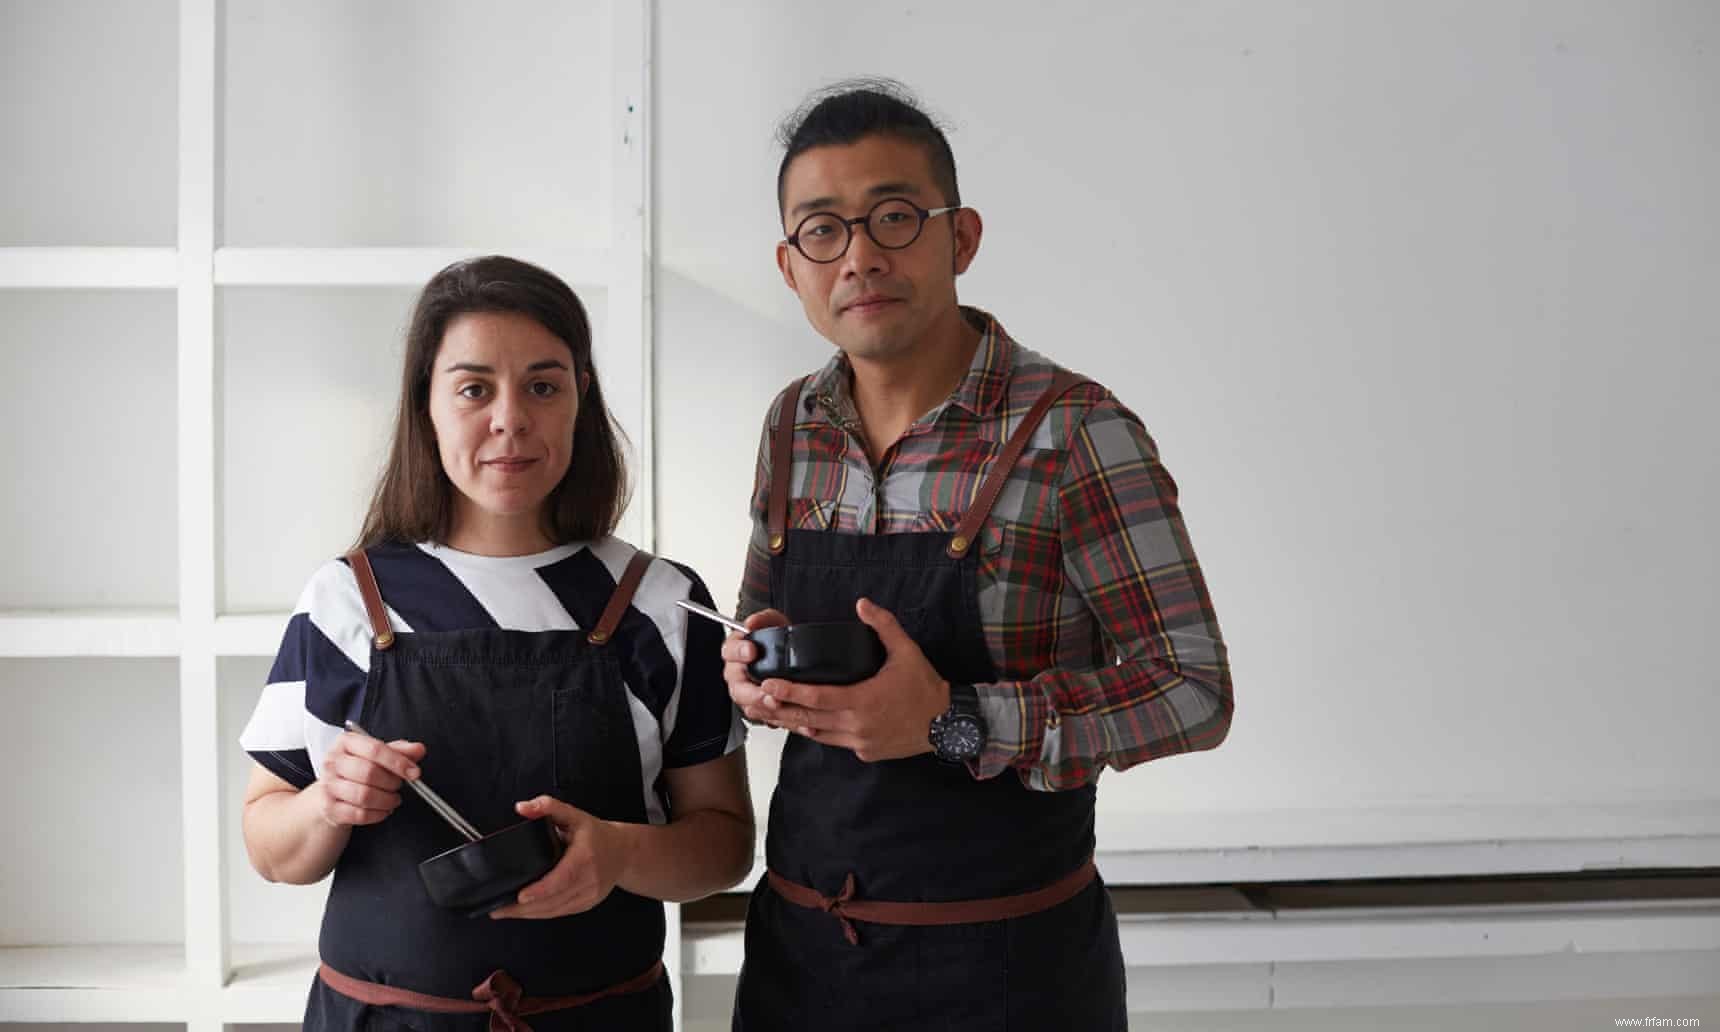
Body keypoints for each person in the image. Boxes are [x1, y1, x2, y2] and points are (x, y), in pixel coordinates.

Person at [721, 81, 1235, 1030]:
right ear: (791, 268)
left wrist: (957, 722)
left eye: (895, 217)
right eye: (824, 231)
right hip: (805, 962)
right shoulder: (792, 424)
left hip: (1010, 971)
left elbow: (1195, 690)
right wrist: (752, 668)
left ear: (960, 238)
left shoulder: (1074, 431)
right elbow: (765, 624)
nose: (862, 256)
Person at [238, 255, 753, 1030]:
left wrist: (618, 854)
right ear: (428, 406)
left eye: (543, 385)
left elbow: (724, 845)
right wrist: (327, 807)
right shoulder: (347, 600)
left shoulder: (658, 602)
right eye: (474, 388)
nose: (510, 418)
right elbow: (271, 846)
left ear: (581, 398)